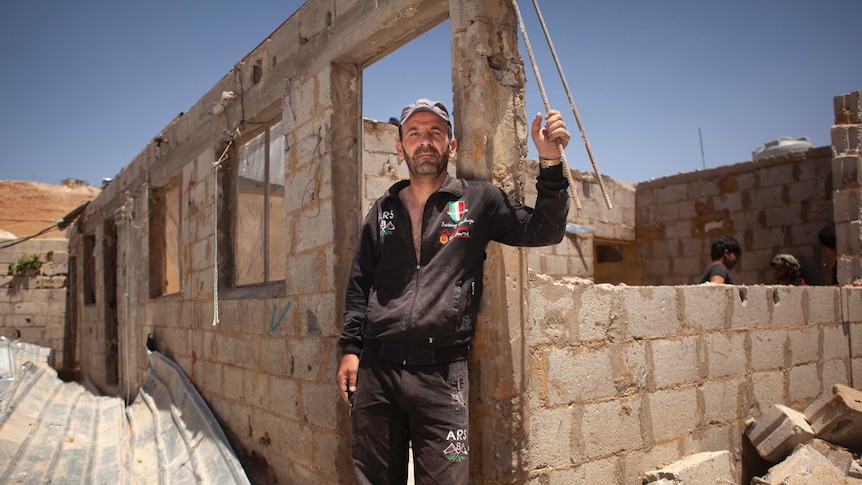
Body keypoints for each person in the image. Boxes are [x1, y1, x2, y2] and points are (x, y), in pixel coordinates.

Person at [336, 98, 571, 484]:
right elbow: (360, 282)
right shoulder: (383, 211)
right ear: (400, 146)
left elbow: (544, 230)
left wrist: (549, 162)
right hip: (378, 370)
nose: (424, 141)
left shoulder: (479, 201)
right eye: (414, 133)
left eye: (435, 133)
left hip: (443, 376)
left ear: (452, 144)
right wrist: (350, 349)